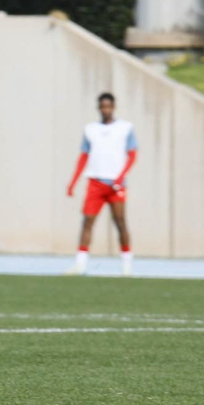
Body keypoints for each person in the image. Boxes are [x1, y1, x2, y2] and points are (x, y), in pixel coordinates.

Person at [65, 92, 137, 276]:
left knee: (120, 222)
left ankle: (126, 265)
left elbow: (132, 154)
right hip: (95, 182)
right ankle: (80, 264)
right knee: (87, 221)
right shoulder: (91, 129)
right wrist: (73, 182)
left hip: (115, 184)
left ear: (113, 107)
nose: (106, 110)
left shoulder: (125, 128)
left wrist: (120, 177)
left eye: (108, 106)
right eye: (102, 107)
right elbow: (83, 157)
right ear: (99, 108)